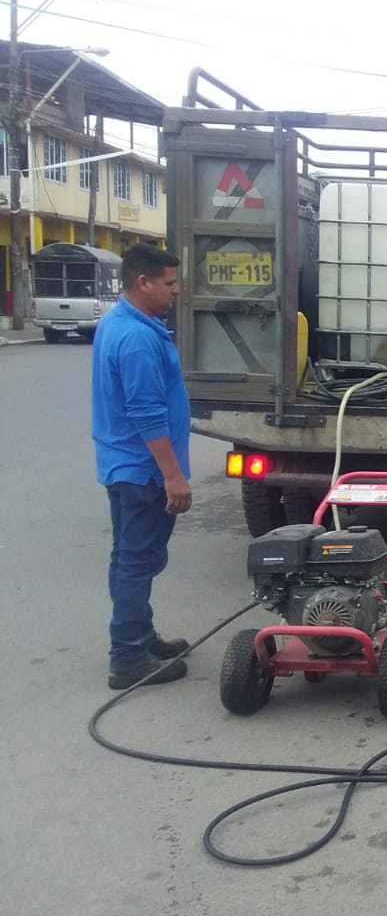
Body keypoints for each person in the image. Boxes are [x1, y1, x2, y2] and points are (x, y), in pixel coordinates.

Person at [92, 244, 193, 689]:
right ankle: (128, 657)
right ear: (143, 282)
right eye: (170, 283)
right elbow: (147, 413)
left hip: (123, 464)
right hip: (143, 469)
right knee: (137, 561)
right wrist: (172, 474)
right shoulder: (136, 339)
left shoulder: (120, 322)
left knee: (127, 558)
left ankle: (140, 636)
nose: (177, 290)